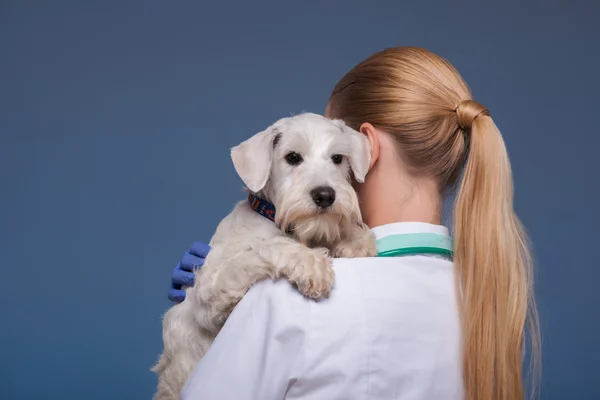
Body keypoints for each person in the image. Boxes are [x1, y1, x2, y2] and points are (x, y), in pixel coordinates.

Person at [166, 47, 540, 400]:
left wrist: (210, 315)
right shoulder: (494, 306)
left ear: (366, 147)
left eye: (336, 154)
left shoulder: (288, 299)